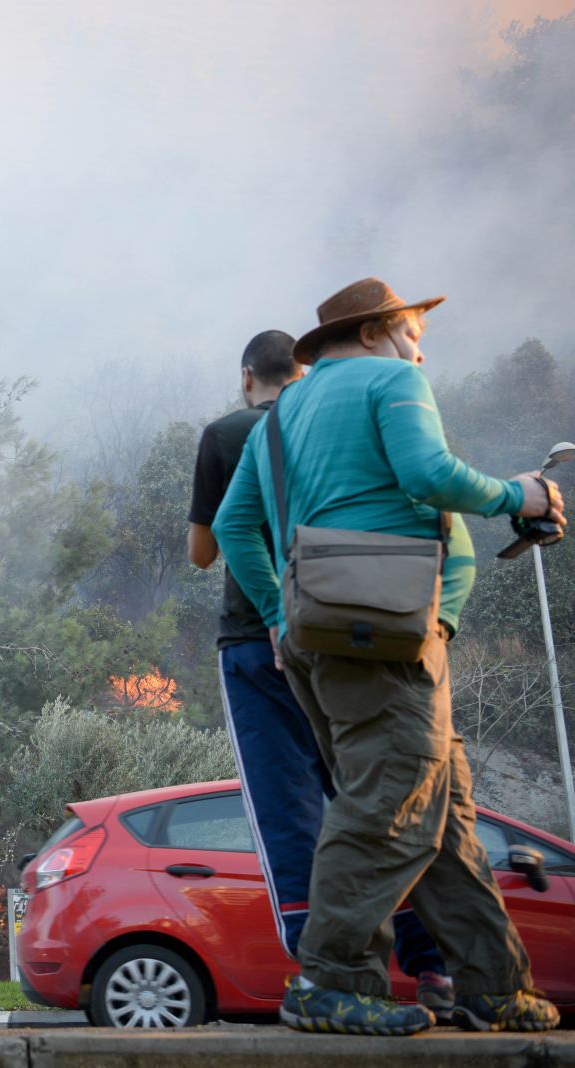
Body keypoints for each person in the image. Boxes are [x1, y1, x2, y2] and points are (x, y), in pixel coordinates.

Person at [213, 278, 564, 1036]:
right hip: (385, 632)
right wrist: (519, 495)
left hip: (316, 635)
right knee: (390, 802)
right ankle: (332, 979)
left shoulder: (283, 413)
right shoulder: (396, 379)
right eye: (411, 328)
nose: (420, 344)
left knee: (444, 815)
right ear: (374, 331)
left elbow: (233, 523)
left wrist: (278, 612)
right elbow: (427, 476)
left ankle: (494, 986)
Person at [188, 330, 453, 1012]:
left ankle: (323, 973)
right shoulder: (338, 423)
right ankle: (434, 967)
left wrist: (278, 614)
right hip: (357, 632)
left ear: (248, 376)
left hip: (257, 640)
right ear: (304, 372)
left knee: (287, 808)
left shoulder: (227, 433)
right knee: (376, 804)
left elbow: (204, 548)